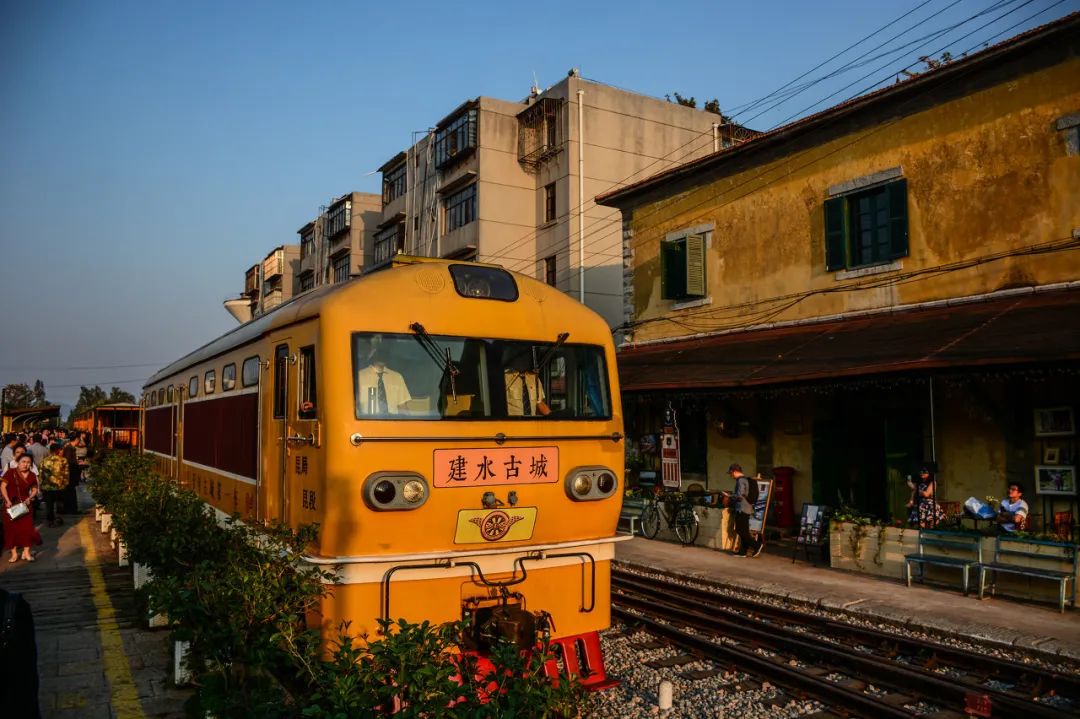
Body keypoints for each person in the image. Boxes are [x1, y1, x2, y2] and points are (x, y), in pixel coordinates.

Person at [2, 454, 42, 562]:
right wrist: (7, 500)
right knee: (11, 530)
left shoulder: (32, 475)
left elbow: (35, 489)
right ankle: (14, 554)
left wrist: (30, 497)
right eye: (23, 462)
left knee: (27, 529)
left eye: (28, 462)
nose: (25, 464)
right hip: (10, 505)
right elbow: (2, 487)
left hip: (25, 505)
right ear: (18, 463)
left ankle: (26, 552)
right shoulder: (11, 472)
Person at [723, 463, 763, 558]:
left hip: (742, 508)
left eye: (731, 473)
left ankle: (756, 545)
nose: (731, 475)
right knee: (743, 530)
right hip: (747, 508)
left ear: (735, 472)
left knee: (740, 530)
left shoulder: (740, 481)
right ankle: (743, 551)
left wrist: (729, 496)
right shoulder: (745, 480)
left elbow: (739, 496)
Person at [357, 349, 411, 416]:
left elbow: (402, 407)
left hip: (393, 422)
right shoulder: (359, 376)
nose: (381, 356)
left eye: (384, 353)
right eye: (379, 353)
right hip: (368, 422)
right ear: (372, 354)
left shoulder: (397, 377)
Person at [38, 443, 69, 528]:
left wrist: (41, 485)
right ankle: (58, 519)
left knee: (49, 505)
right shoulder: (63, 460)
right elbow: (66, 475)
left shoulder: (44, 460)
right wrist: (65, 485)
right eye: (61, 449)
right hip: (59, 487)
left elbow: (41, 475)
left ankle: (50, 520)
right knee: (59, 504)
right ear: (58, 450)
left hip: (47, 487)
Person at [61, 437, 81, 515]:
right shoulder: (69, 448)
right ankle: (71, 509)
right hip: (70, 473)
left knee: (69, 491)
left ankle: (70, 509)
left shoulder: (69, 448)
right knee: (70, 491)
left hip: (70, 473)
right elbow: (68, 460)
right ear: (76, 440)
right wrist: (76, 463)